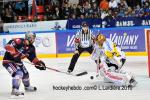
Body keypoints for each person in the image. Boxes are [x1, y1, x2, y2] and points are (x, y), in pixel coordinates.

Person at [2, 32, 46, 97]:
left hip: (18, 62)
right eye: (33, 38)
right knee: (19, 73)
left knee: (25, 74)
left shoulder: (32, 48)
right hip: (8, 61)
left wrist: (38, 63)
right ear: (29, 38)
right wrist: (14, 54)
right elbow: (7, 46)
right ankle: (15, 90)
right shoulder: (19, 41)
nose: (34, 40)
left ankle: (27, 87)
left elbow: (33, 58)